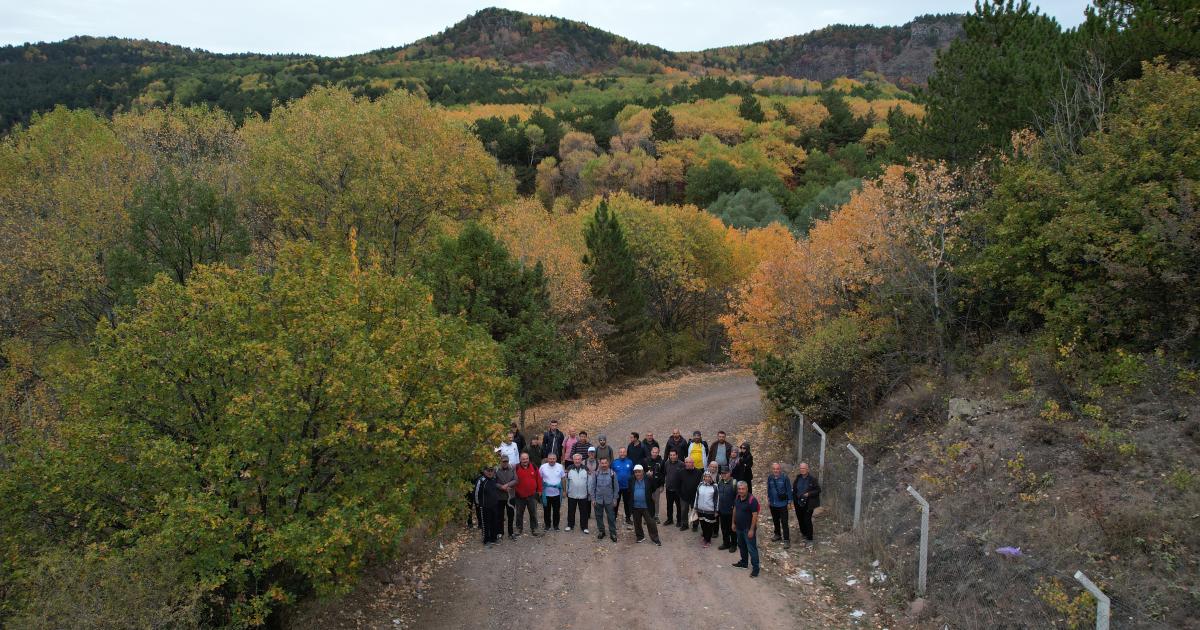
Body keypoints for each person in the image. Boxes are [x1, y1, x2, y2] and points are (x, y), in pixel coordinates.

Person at [732, 481, 761, 577]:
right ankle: (744, 563)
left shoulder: (752, 500)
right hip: (739, 527)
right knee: (741, 546)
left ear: (747, 489)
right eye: (739, 489)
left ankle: (756, 568)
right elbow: (735, 509)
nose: (741, 491)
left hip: (748, 529)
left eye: (743, 489)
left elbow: (755, 515)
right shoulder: (737, 497)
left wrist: (752, 530)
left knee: (752, 549)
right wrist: (733, 523)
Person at [629, 465, 662, 545]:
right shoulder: (631, 479)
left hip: (647, 506)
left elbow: (654, 488)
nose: (637, 474)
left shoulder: (649, 479)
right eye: (636, 472)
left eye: (639, 472)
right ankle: (640, 537)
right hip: (635, 506)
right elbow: (630, 490)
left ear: (643, 472)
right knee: (637, 523)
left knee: (651, 522)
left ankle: (655, 539)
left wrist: (652, 476)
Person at [590, 457, 619, 543]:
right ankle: (601, 531)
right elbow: (593, 487)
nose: (603, 465)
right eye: (602, 463)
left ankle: (613, 533)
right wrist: (593, 499)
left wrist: (615, 499)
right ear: (599, 464)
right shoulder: (596, 474)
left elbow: (616, 488)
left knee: (611, 517)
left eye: (605, 463)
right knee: (599, 516)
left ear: (608, 463)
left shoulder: (612, 474)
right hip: (598, 500)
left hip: (609, 500)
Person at [792, 462, 822, 548]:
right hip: (798, 502)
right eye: (801, 468)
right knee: (800, 519)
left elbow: (818, 490)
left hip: (808, 504)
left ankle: (809, 539)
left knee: (807, 520)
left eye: (804, 468)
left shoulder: (812, 479)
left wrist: (808, 494)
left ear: (807, 469)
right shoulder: (798, 478)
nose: (802, 470)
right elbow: (794, 489)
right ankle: (804, 533)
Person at [513, 452, 542, 536]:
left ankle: (534, 529)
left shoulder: (534, 466)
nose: (525, 460)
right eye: (523, 459)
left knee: (533, 513)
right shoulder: (516, 468)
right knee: (519, 513)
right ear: (520, 459)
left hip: (532, 495)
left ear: (528, 459)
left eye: (526, 459)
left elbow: (539, 479)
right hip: (519, 496)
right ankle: (519, 529)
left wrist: (539, 490)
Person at [766, 462, 792, 549]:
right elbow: (769, 489)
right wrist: (769, 499)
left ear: (780, 469)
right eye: (774, 469)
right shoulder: (770, 478)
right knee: (775, 520)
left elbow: (788, 490)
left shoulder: (785, 478)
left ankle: (786, 540)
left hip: (783, 504)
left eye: (777, 469)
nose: (776, 470)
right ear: (772, 469)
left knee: (784, 522)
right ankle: (777, 535)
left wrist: (789, 502)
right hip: (773, 504)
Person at [564, 453, 591, 534]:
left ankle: (584, 527)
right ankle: (570, 525)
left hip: (583, 494)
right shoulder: (569, 469)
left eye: (579, 459)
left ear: (581, 460)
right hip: (572, 494)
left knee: (584, 512)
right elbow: (566, 481)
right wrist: (566, 491)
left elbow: (589, 481)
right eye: (575, 459)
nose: (577, 461)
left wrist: (589, 492)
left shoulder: (586, 469)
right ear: (573, 460)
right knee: (571, 511)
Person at [475, 466, 501, 547]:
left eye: (491, 471)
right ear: (484, 471)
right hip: (484, 506)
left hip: (494, 505)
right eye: (488, 471)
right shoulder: (481, 480)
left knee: (494, 521)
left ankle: (493, 538)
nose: (490, 472)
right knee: (486, 523)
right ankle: (486, 540)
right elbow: (476, 493)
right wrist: (478, 503)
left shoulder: (494, 479)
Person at [539, 453, 565, 531]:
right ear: (547, 459)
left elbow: (563, 479)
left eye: (553, 459)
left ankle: (556, 526)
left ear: (556, 459)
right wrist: (539, 490)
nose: (552, 460)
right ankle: (547, 525)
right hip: (546, 494)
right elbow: (539, 479)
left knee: (556, 511)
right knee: (546, 511)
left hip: (557, 493)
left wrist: (564, 490)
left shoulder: (560, 466)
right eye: (550, 459)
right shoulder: (543, 467)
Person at [495, 454, 518, 541]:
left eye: (506, 461)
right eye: (503, 461)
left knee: (511, 515)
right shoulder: (496, 469)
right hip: (500, 497)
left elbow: (516, 480)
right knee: (500, 516)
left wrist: (507, 485)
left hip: (510, 496)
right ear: (500, 461)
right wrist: (501, 487)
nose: (505, 463)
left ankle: (511, 533)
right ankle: (500, 533)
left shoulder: (512, 468)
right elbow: (494, 481)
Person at [694, 470, 719, 547]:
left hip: (710, 510)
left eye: (709, 477)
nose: (707, 478)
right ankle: (705, 538)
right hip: (700, 509)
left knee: (709, 526)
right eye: (705, 476)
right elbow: (697, 497)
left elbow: (717, 499)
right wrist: (695, 507)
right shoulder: (700, 485)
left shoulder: (715, 486)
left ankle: (708, 541)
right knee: (703, 525)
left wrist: (716, 510)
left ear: (711, 478)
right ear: (703, 477)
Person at [716, 466, 738, 552]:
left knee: (732, 528)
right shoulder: (720, 482)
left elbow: (738, 497)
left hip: (732, 511)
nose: (723, 475)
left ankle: (733, 544)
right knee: (724, 528)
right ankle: (726, 543)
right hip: (722, 510)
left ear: (729, 473)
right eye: (722, 473)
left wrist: (735, 507)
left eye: (725, 473)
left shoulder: (734, 483)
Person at [679, 457, 703, 532]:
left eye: (689, 462)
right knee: (683, 511)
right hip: (684, 496)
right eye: (686, 462)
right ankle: (685, 524)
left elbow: (701, 484)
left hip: (695, 497)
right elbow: (678, 484)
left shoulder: (699, 472)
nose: (688, 464)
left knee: (695, 511)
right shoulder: (681, 472)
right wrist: (680, 494)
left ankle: (695, 525)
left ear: (693, 463)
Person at [611, 447, 634, 525]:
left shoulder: (630, 462)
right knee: (615, 503)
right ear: (619, 453)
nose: (622, 453)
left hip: (627, 487)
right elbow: (611, 474)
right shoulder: (614, 462)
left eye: (624, 452)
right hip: (617, 487)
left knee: (627, 504)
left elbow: (632, 473)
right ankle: (613, 518)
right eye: (621, 452)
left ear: (626, 453)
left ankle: (628, 518)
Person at [663, 450, 685, 526]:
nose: (672, 456)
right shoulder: (666, 463)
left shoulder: (681, 464)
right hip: (669, 488)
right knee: (669, 505)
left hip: (678, 490)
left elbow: (683, 476)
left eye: (674, 455)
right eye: (671, 455)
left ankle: (679, 520)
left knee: (679, 506)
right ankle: (670, 519)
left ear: (677, 455)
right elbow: (665, 474)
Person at [645, 446, 665, 523]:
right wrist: (646, 474)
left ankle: (656, 516)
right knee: (648, 501)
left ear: (658, 453)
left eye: (656, 452)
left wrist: (662, 485)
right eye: (653, 452)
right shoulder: (646, 460)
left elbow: (663, 474)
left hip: (657, 485)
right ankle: (648, 516)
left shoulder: (661, 461)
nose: (654, 454)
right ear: (651, 452)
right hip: (648, 485)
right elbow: (642, 472)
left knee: (656, 501)